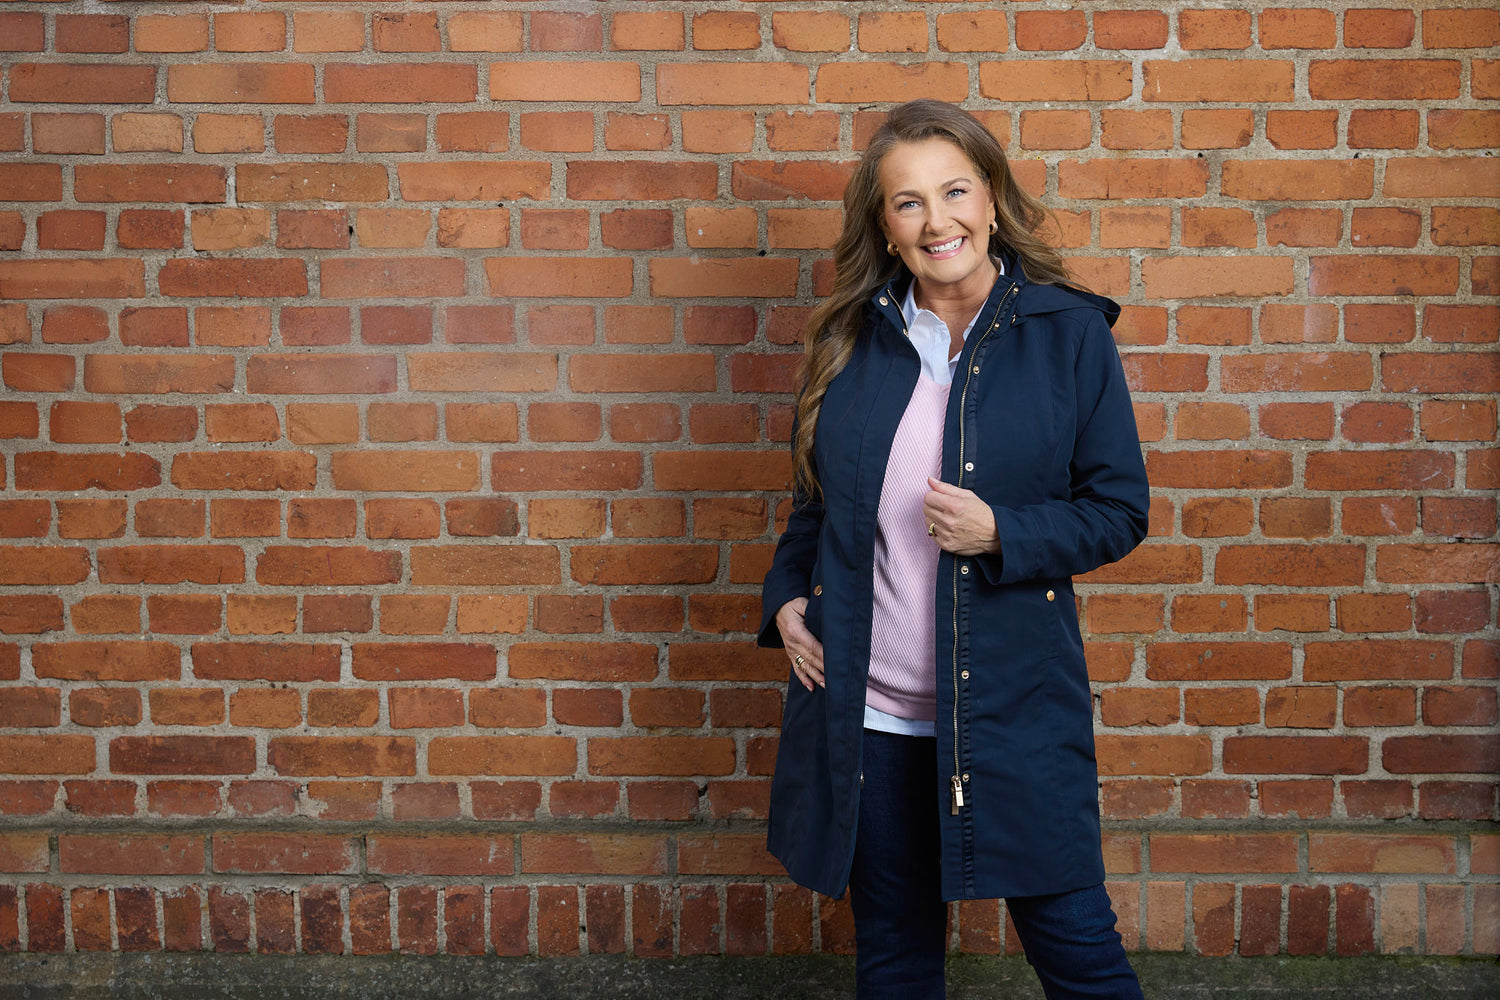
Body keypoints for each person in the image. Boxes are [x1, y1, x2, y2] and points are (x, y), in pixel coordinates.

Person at [757, 99, 1151, 999]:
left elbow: (1119, 511)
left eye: (955, 191)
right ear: (885, 229)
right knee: (895, 964)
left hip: (1013, 712)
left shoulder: (1068, 335)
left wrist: (1003, 531)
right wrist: (785, 599)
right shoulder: (853, 342)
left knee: (1081, 957)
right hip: (871, 719)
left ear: (994, 201)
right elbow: (815, 504)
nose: (937, 220)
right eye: (908, 202)